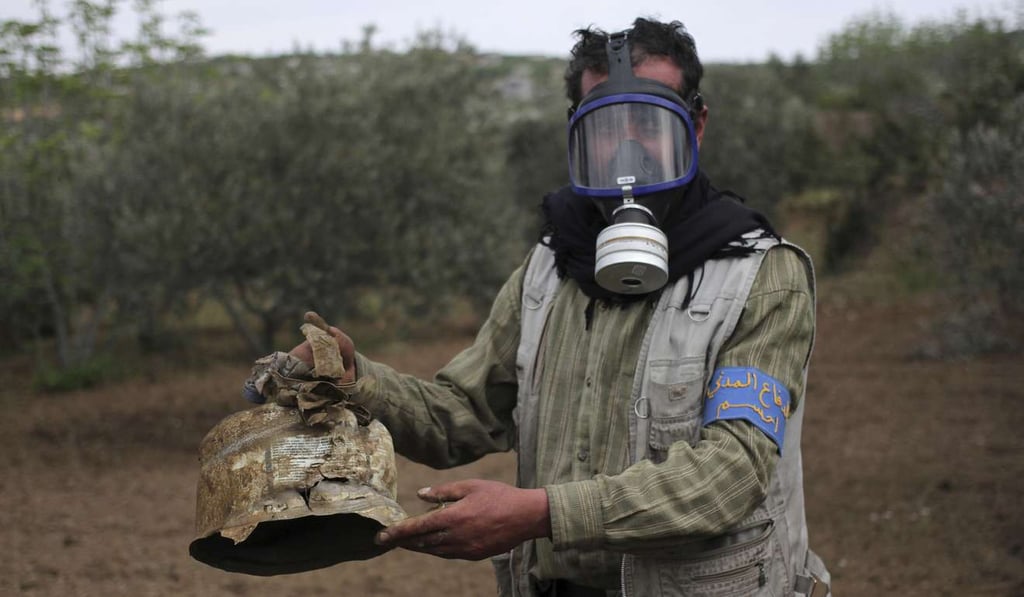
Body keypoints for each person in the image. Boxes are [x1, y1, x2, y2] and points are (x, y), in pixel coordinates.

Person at [289, 17, 830, 597]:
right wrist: (357, 380)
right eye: (606, 124)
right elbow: (464, 412)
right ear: (578, 135)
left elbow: (729, 476)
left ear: (694, 126)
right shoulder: (550, 264)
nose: (630, 145)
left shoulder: (761, 275)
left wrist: (544, 514)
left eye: (650, 121)